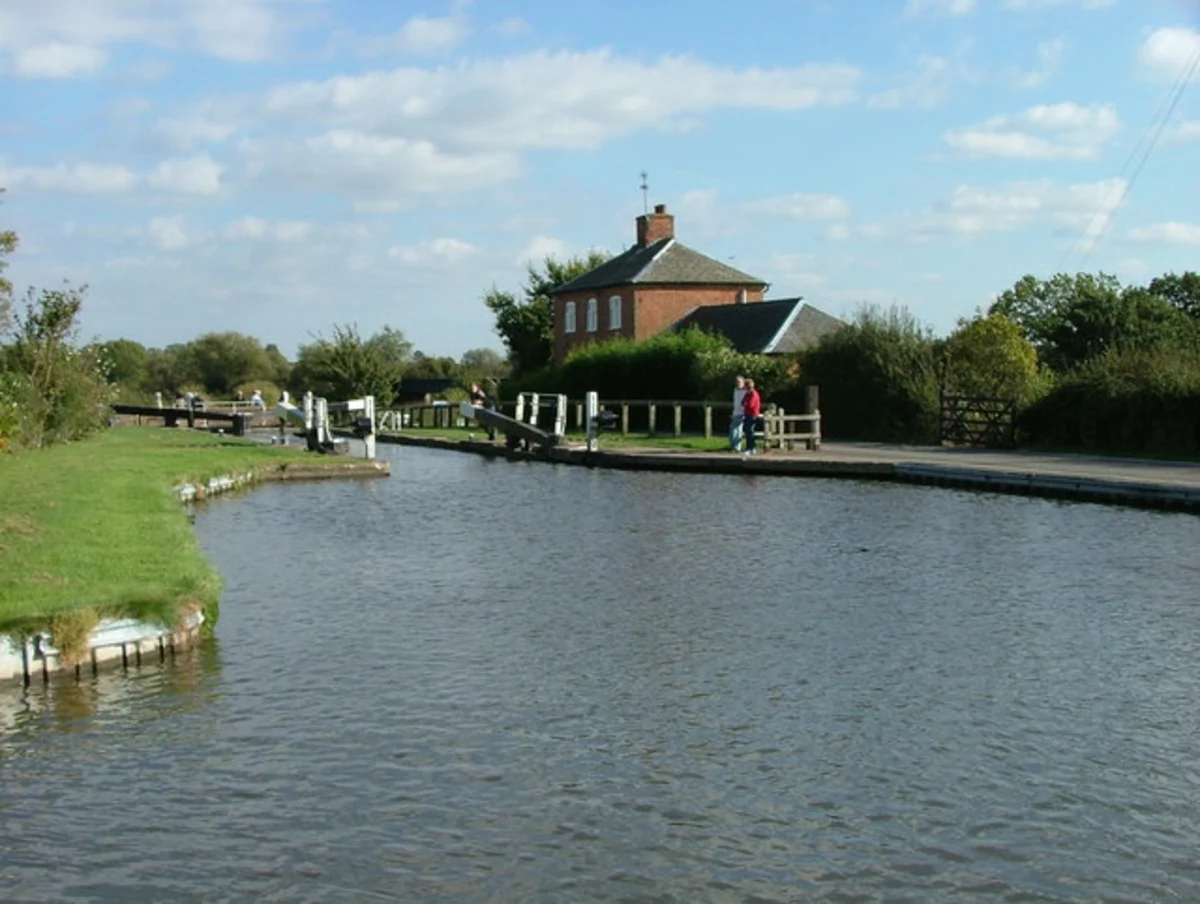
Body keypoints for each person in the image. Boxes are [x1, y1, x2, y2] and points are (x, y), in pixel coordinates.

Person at [742, 378, 762, 455]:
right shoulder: (747, 394)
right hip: (747, 414)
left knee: (750, 431)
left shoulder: (754, 394)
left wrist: (746, 404)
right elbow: (743, 402)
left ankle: (751, 448)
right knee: (747, 431)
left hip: (752, 415)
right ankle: (749, 448)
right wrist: (745, 403)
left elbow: (751, 404)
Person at [729, 375, 747, 452]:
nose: (737, 383)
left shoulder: (745, 391)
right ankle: (736, 447)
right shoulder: (735, 390)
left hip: (742, 413)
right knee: (735, 430)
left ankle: (736, 447)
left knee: (735, 429)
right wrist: (733, 412)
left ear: (743, 382)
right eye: (736, 382)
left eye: (739, 382)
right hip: (736, 413)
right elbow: (735, 402)